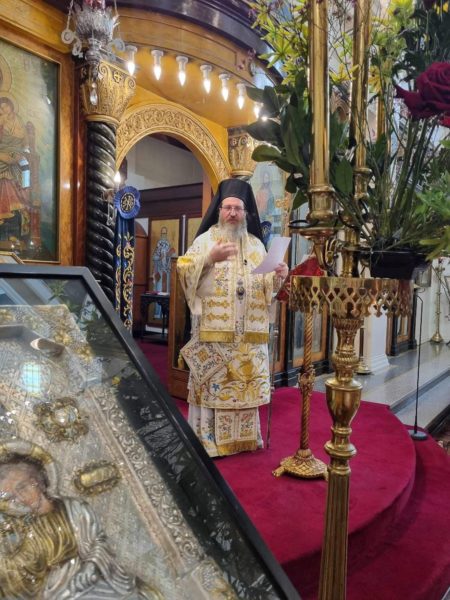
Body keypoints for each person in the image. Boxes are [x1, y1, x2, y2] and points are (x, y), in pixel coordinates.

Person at [177, 178, 288, 457]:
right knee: (213, 387)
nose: (232, 213)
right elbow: (184, 270)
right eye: (227, 208)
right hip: (214, 336)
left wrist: (278, 277)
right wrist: (209, 259)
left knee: (244, 387)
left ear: (246, 213)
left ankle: (246, 439)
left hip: (247, 337)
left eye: (238, 209)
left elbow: (266, 288)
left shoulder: (256, 245)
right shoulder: (205, 241)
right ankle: (208, 442)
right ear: (219, 210)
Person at [0, 442, 162, 599]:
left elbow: (97, 543)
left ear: (37, 481)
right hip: (55, 590)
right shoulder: (26, 530)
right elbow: (28, 574)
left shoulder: (73, 508)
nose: (20, 498)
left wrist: (90, 567)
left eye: (22, 487)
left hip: (90, 577)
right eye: (12, 497)